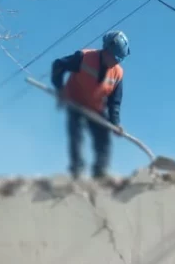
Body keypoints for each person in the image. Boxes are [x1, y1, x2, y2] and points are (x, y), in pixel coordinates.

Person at [51, 31, 130, 179]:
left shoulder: (118, 73)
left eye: (119, 59)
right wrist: (60, 88)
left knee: (103, 139)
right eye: (114, 57)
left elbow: (114, 102)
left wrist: (115, 123)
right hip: (75, 102)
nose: (116, 62)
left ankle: (100, 174)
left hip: (95, 108)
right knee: (77, 135)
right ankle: (77, 171)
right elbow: (59, 65)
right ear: (105, 50)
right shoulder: (84, 57)